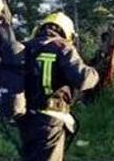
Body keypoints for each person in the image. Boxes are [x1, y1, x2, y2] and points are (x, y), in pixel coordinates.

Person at [18, 12, 98, 161]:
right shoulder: (63, 47)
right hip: (51, 119)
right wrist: (95, 72)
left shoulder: (25, 47)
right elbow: (82, 79)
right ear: (67, 33)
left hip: (26, 118)